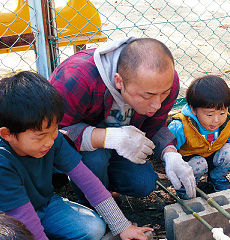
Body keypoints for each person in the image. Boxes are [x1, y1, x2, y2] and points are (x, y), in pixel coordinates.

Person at [0, 71, 153, 240]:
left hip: (45, 205)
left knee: (94, 228)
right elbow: (25, 218)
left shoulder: (53, 140)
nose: (49, 141)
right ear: (7, 134)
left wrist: (122, 226)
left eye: (54, 130)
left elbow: (88, 181)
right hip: (11, 219)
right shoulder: (3, 162)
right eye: (40, 136)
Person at [49, 36, 191, 204]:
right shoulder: (75, 78)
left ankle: (104, 187)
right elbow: (54, 134)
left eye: (165, 93)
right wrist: (110, 138)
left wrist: (170, 154)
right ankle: (93, 203)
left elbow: (155, 125)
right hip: (85, 150)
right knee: (96, 159)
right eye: (147, 96)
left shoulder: (163, 81)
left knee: (144, 183)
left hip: (122, 146)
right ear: (119, 81)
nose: (157, 104)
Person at [167, 75, 230, 199]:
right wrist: (172, 169)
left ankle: (217, 178)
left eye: (222, 112)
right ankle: (185, 186)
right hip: (190, 162)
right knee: (198, 164)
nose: (216, 120)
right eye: (209, 114)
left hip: (213, 157)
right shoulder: (180, 127)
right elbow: (169, 150)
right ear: (193, 110)